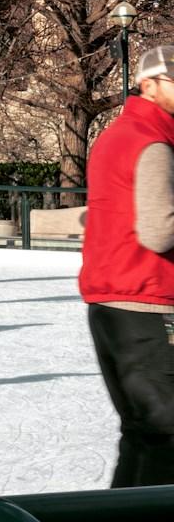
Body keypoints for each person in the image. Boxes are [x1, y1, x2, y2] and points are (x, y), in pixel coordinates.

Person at [82, 44, 174, 487]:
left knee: (143, 434)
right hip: (148, 304)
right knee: (165, 436)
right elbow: (160, 230)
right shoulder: (153, 141)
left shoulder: (115, 135)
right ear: (149, 85)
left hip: (111, 304)